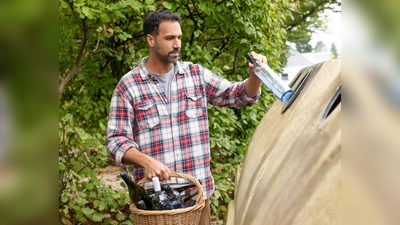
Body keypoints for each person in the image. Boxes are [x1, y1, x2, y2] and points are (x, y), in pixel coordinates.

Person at [106, 9, 266, 225]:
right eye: (170, 38)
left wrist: (255, 76)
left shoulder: (195, 75)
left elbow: (237, 95)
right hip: (156, 203)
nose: (177, 44)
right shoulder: (129, 86)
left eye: (179, 37)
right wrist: (146, 161)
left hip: (197, 196)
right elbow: (116, 141)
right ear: (151, 40)